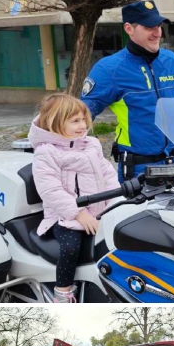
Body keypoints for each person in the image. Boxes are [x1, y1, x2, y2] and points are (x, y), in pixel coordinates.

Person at [80, 0, 174, 179]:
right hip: (139, 170)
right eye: (149, 27)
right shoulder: (109, 69)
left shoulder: (172, 61)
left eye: (158, 26)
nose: (157, 33)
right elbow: (81, 116)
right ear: (129, 29)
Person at [30, 94, 120, 303]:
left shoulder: (91, 145)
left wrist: (117, 201)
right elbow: (50, 190)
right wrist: (78, 214)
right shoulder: (46, 152)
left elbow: (108, 175)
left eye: (83, 120)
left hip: (99, 212)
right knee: (71, 248)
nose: (82, 126)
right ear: (56, 122)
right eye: (75, 121)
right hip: (65, 216)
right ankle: (62, 293)